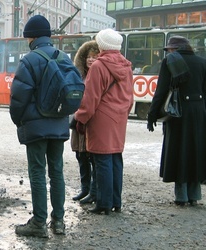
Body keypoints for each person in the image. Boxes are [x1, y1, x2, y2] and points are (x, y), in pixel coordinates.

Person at [9, 15, 81, 237]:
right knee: (57, 172)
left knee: (38, 173)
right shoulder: (64, 58)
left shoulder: (29, 61)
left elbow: (18, 99)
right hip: (59, 125)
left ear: (31, 37)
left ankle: (39, 223)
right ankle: (58, 222)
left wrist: (19, 120)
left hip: (36, 127)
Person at [72, 28, 133, 215]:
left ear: (102, 44)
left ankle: (104, 204)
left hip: (101, 118)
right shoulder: (126, 66)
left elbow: (90, 99)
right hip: (119, 118)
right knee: (115, 159)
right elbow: (130, 98)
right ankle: (116, 201)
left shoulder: (99, 66)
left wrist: (79, 118)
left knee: (102, 159)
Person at [147, 36, 206, 206]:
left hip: (178, 111)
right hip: (199, 111)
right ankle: (195, 195)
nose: (169, 52)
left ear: (175, 49)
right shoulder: (202, 62)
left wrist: (152, 115)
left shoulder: (169, 62)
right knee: (196, 150)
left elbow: (161, 90)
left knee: (180, 151)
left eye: (170, 49)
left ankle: (181, 196)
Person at [71, 40, 99, 205]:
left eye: (95, 56)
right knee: (80, 156)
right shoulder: (78, 75)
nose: (91, 60)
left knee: (93, 158)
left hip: (91, 121)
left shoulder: (98, 75)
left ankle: (94, 191)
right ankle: (85, 188)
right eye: (89, 56)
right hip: (78, 120)